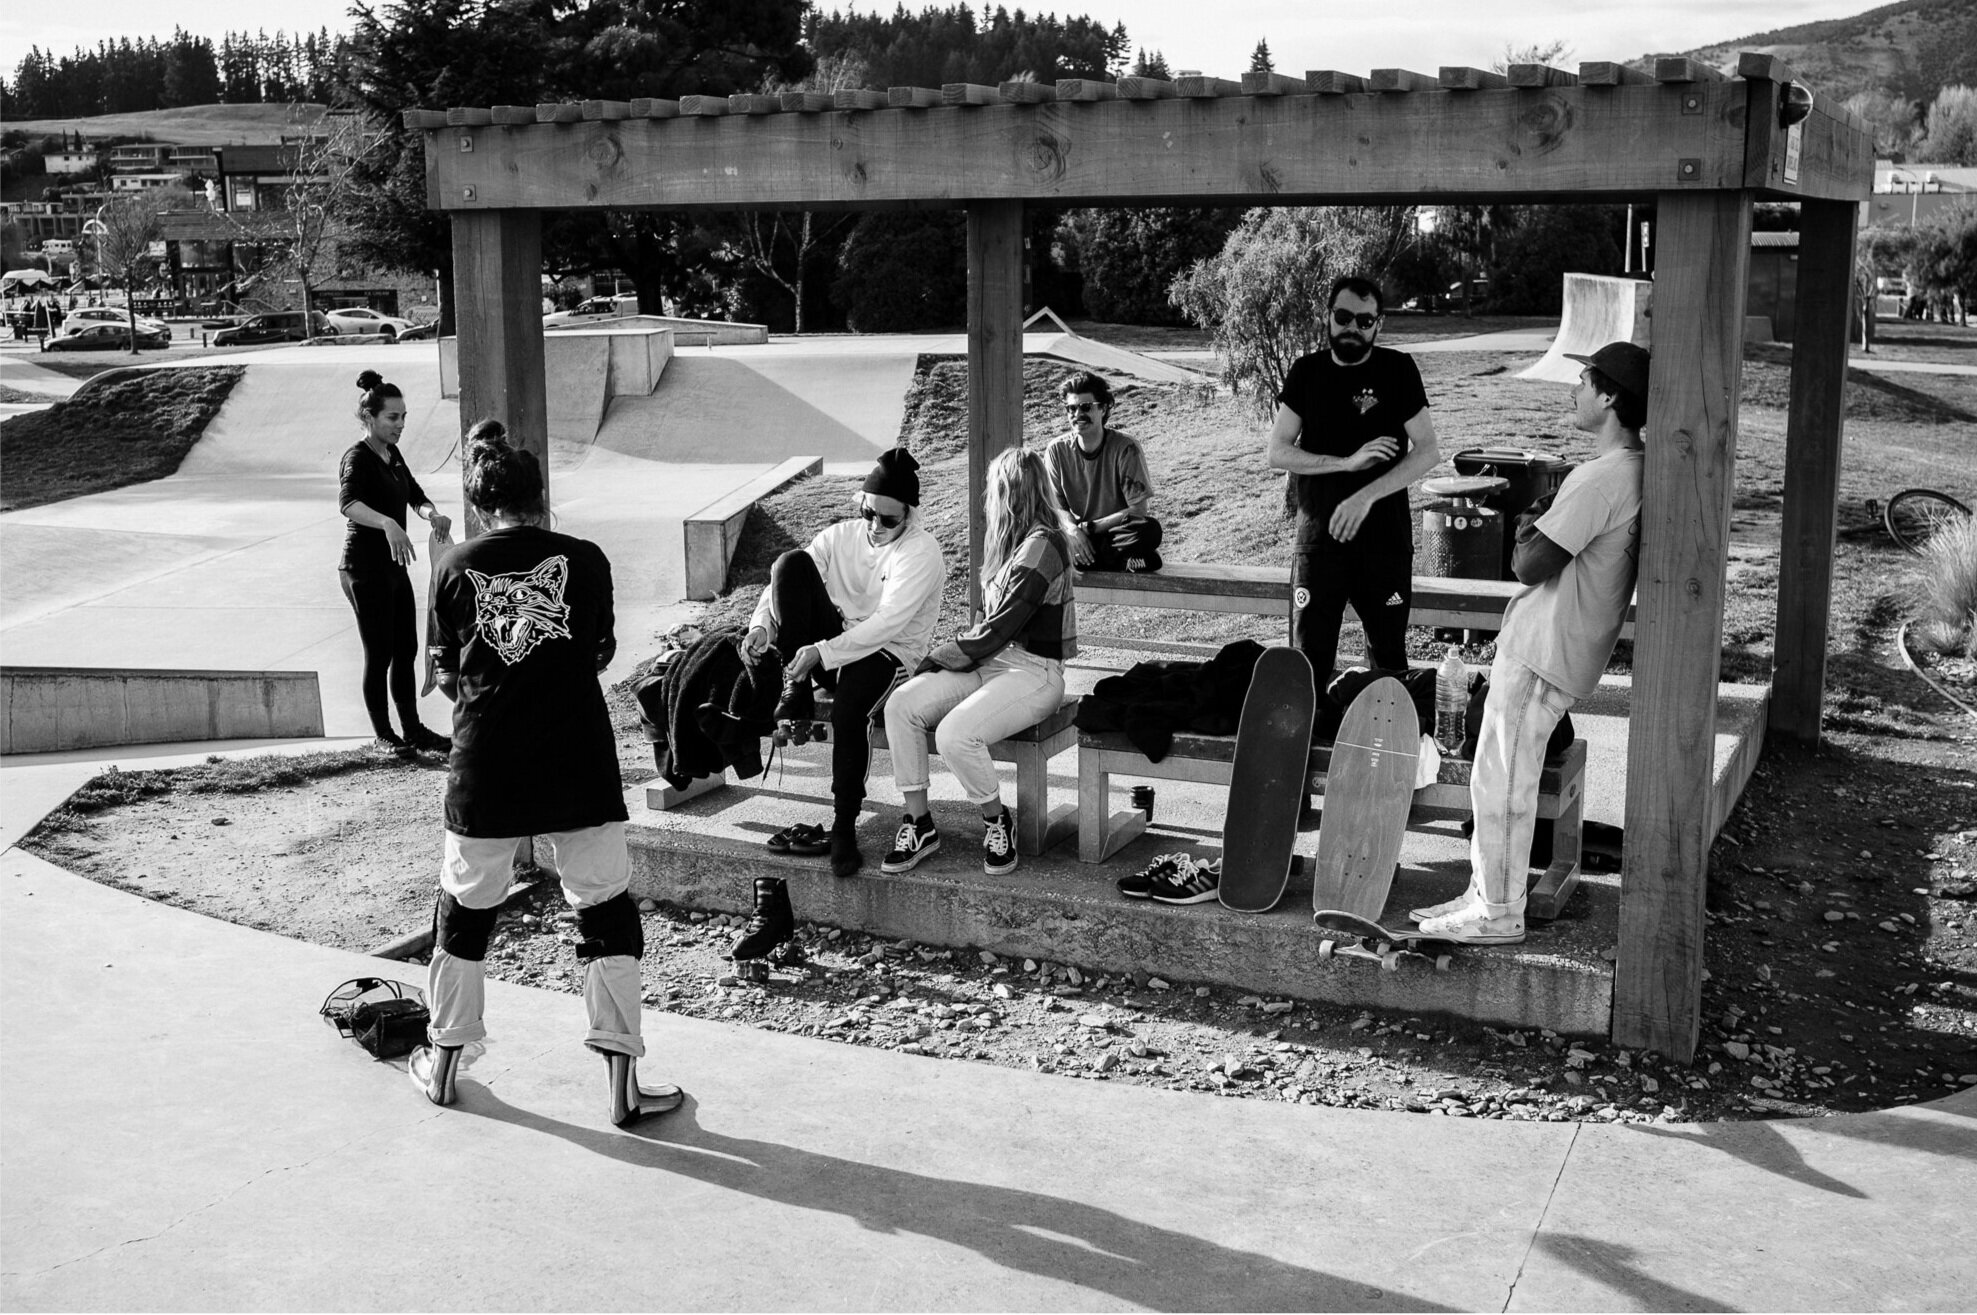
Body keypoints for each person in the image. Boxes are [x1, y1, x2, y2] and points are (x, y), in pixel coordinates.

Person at [409, 423, 682, 1126]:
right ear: (540, 498)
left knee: (463, 912)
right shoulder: (584, 560)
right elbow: (595, 656)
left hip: (485, 762)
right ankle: (621, 1081)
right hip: (574, 756)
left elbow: (442, 677)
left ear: (479, 506)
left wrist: (493, 687)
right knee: (604, 907)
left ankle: (443, 1064)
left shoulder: (452, 565)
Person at [1415, 342, 1649, 945]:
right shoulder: (1625, 471)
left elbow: (1529, 561)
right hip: (1551, 647)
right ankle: (1483, 893)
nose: (1574, 390)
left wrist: (1527, 517)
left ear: (1610, 396)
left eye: (1583, 380)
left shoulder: (1603, 477)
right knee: (1491, 779)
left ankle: (1498, 912)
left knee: (1505, 783)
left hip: (1545, 649)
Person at [740, 448, 948, 878]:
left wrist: (823, 652)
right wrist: (763, 627)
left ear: (909, 516)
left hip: (889, 654)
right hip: (834, 648)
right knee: (789, 563)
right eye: (870, 513)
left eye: (889, 520)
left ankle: (843, 826)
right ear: (862, 503)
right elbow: (781, 585)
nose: (876, 526)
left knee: (850, 708)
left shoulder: (921, 551)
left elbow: (888, 623)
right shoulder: (842, 536)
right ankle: (794, 686)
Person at [880, 446, 1078, 877]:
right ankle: (919, 823)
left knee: (955, 734)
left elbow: (999, 628)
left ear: (1009, 492)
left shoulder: (1044, 545)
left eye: (994, 489)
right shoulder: (1009, 544)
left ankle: (996, 820)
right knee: (902, 706)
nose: (989, 498)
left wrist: (934, 660)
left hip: (1035, 672)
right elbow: (985, 627)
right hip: (989, 663)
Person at [1265, 275, 1441, 687]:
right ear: (1328, 317)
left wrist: (1366, 496)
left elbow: (1428, 450)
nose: (1353, 328)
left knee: (1390, 667)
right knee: (1307, 666)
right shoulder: (1306, 372)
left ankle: (1383, 750)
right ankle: (1311, 747)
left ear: (1379, 325)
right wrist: (1346, 463)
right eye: (1344, 317)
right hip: (1319, 542)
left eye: (1365, 321)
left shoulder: (1398, 370)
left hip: (1384, 543)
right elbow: (1278, 452)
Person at [337, 370, 452, 754]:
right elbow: (348, 503)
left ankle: (414, 730)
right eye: (392, 417)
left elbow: (415, 495)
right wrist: (387, 523)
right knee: (380, 651)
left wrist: (430, 514)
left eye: (403, 417)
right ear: (369, 418)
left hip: (393, 567)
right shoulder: (358, 457)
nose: (400, 424)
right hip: (362, 568)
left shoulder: (393, 454)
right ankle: (385, 735)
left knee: (406, 649)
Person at [1042, 371, 1162, 572]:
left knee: (1149, 529)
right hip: (1078, 535)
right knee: (1042, 535)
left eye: (1086, 407)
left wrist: (1091, 528)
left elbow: (1138, 510)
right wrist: (1072, 531)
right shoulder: (1056, 450)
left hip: (1113, 531)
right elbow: (1056, 507)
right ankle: (1127, 561)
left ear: (1104, 408)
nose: (1077, 415)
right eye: (1071, 409)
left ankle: (1086, 560)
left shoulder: (1126, 448)